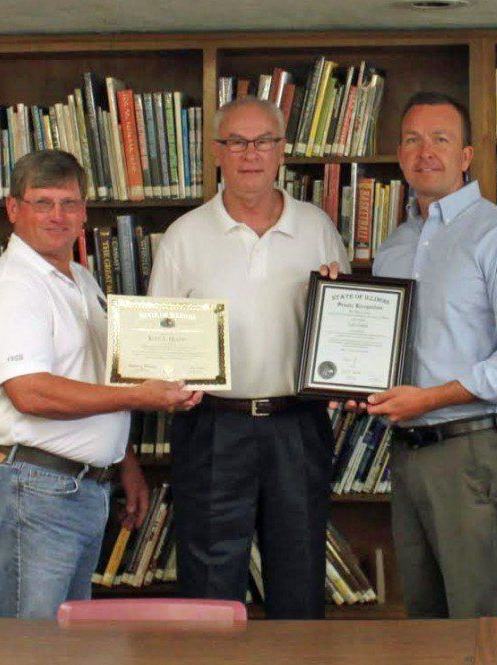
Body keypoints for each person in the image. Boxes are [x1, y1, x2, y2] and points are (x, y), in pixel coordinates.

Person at [0, 149, 201, 619]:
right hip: (33, 489)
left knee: (64, 645)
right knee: (28, 649)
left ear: (84, 212)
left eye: (69, 203)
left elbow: (91, 375)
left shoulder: (78, 277)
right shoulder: (13, 287)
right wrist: (142, 397)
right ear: (13, 209)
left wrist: (123, 461)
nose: (58, 216)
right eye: (43, 202)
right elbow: (30, 393)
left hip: (74, 488)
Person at [148, 97, 351, 619]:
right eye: (236, 142)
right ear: (217, 152)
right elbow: (155, 341)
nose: (250, 154)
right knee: (210, 579)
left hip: (297, 424)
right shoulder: (184, 236)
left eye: (263, 141)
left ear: (281, 151)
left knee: (300, 570)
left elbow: (348, 332)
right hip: (213, 424)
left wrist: (338, 306)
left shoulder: (317, 227)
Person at [368, 91, 497, 617]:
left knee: (479, 622)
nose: (425, 152)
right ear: (400, 154)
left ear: (466, 155)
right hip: (406, 453)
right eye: (412, 139)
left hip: (468, 453)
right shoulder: (395, 245)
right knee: (424, 617)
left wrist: (427, 399)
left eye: (440, 139)